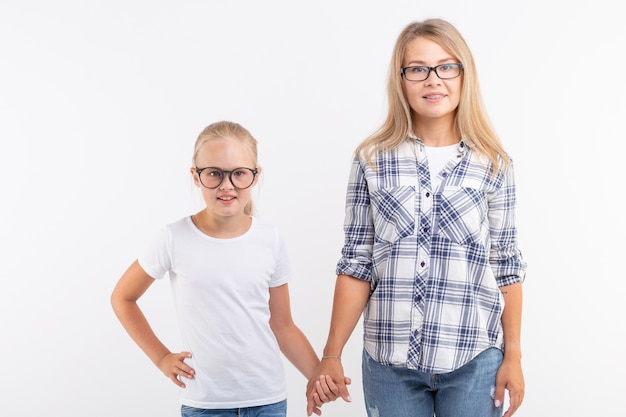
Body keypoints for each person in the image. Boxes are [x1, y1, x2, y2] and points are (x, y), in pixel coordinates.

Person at [306, 18, 527, 417]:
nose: (433, 80)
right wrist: (331, 354)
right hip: (389, 364)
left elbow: (505, 266)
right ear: (401, 79)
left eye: (446, 66)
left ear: (464, 75)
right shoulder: (371, 160)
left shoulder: (494, 164)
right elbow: (356, 262)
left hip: (474, 359)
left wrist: (514, 357)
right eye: (418, 69)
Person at [111, 120, 334, 417]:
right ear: (196, 176)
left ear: (255, 177)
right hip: (205, 403)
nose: (227, 186)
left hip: (267, 401)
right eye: (214, 173)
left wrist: (317, 377)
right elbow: (122, 298)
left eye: (239, 173)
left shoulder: (271, 240)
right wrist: (162, 357)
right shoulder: (172, 238)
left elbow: (282, 325)